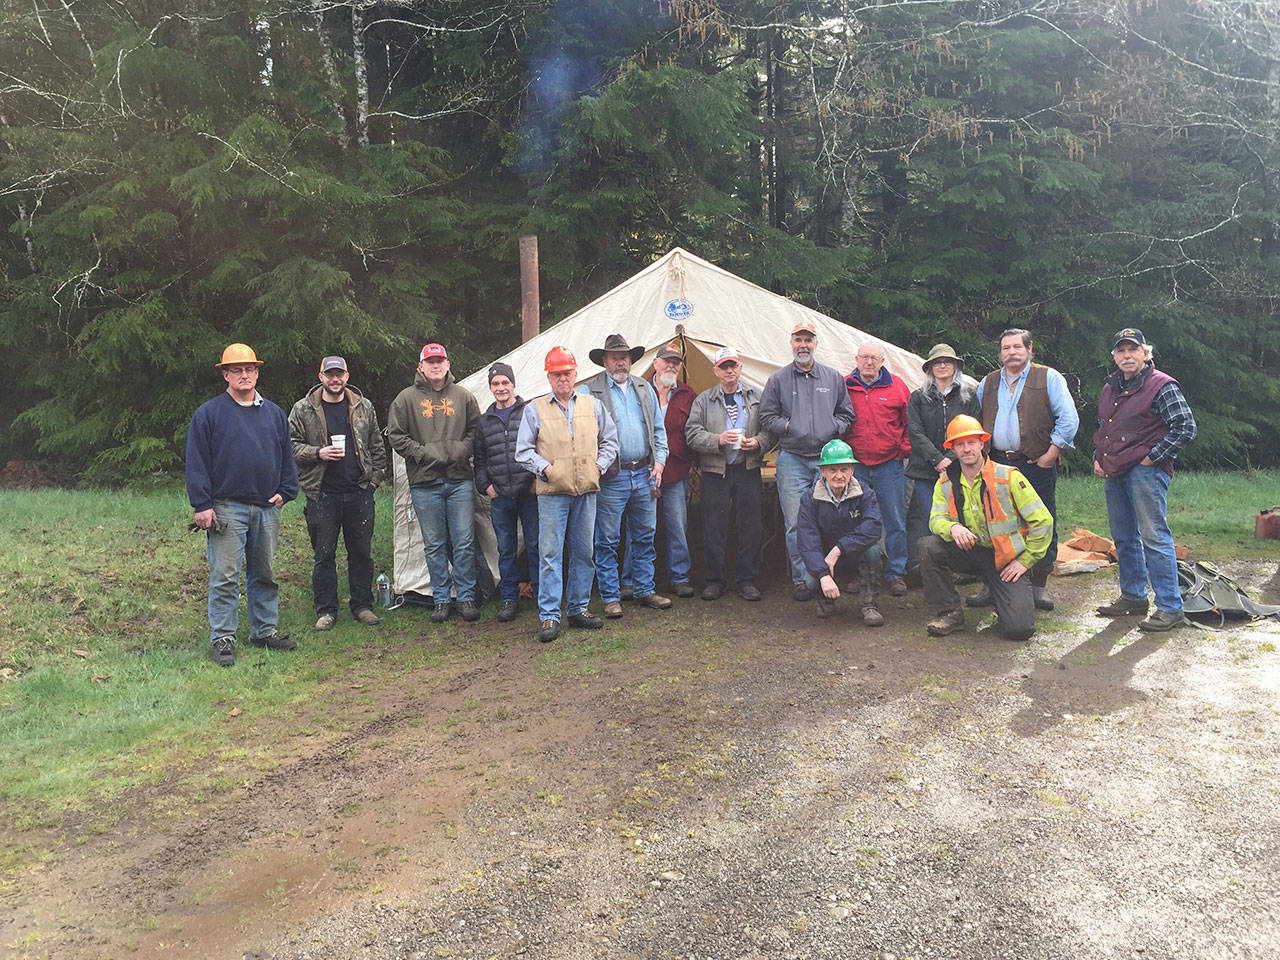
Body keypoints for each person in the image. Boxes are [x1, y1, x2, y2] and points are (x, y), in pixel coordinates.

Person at [186, 343, 299, 667]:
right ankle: (223, 638)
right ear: (226, 375)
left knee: (265, 573)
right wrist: (202, 504)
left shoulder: (274, 414)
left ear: (257, 373)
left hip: (266, 508)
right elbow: (196, 461)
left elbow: (286, 456)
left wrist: (287, 490)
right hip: (226, 508)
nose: (244, 375)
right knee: (225, 576)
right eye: (237, 370)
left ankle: (264, 631)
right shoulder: (209, 414)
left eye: (250, 369)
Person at [1092, 328, 1197, 632]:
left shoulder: (1161, 385)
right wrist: (1098, 457)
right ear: (1114, 356)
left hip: (1146, 472)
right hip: (1116, 472)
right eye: (1121, 351)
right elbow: (1105, 428)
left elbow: (1185, 426)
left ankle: (1170, 607)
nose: (1127, 355)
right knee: (1124, 537)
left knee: (1154, 537)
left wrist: (1153, 457)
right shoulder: (1110, 387)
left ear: (1145, 353)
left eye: (1133, 350)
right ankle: (1134, 597)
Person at [516, 346, 619, 643]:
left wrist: (597, 467)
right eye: (557, 374)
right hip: (552, 493)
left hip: (586, 490)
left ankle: (578, 608)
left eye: (567, 373)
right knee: (550, 554)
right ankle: (549, 614)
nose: (563, 378)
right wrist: (546, 469)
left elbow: (610, 441)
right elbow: (523, 451)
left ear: (576, 374)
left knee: (584, 553)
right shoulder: (534, 409)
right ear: (549, 377)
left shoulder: (593, 405)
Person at [921, 414, 1054, 641]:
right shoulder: (945, 482)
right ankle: (950, 613)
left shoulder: (1008, 477)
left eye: (971, 442)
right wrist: (953, 529)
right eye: (960, 444)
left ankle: (999, 595)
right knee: (928, 546)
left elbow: (1043, 521)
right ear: (952, 449)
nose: (966, 449)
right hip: (968, 552)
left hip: (1005, 560)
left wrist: (1024, 561)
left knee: (1019, 630)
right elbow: (935, 520)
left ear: (981, 444)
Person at [974, 328, 1079, 611]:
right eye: (1006, 348)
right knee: (993, 522)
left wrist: (1051, 453)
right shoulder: (988, 382)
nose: (1011, 353)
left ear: (1029, 349)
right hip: (996, 464)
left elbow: (1068, 418)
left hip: (1034, 463)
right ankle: (992, 584)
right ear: (1000, 353)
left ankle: (1038, 587)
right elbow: (976, 418)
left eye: (1017, 347)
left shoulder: (1048, 377)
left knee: (1041, 520)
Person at [759, 320, 856, 601]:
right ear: (791, 343)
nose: (803, 345)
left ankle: (827, 574)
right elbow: (766, 416)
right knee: (795, 523)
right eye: (798, 340)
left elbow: (847, 414)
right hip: (792, 459)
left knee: (828, 519)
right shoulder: (778, 379)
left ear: (815, 344)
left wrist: (832, 427)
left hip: (827, 462)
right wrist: (790, 426)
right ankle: (803, 579)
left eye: (808, 340)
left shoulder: (833, 378)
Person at [288, 355, 387, 631]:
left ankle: (362, 606)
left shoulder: (363, 406)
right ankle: (326, 610)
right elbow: (289, 446)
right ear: (321, 377)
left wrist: (374, 482)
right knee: (324, 555)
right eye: (329, 374)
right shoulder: (303, 409)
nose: (335, 379)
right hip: (322, 493)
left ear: (347, 376)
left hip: (359, 491)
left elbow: (377, 446)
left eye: (339, 374)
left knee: (361, 552)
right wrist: (318, 452)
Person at [387, 343, 481, 624]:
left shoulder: (464, 396)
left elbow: (476, 429)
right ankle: (441, 599)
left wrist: (462, 450)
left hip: (459, 480)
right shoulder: (405, 399)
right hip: (425, 481)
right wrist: (423, 454)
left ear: (448, 364)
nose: (436, 365)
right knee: (434, 543)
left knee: (464, 541)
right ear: (421, 366)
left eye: (440, 360)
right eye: (430, 362)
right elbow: (396, 436)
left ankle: (465, 597)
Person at [581, 333, 671, 619]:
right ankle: (611, 596)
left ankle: (644, 589)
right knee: (607, 539)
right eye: (614, 357)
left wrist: (660, 463)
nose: (620, 362)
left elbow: (659, 431)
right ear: (604, 361)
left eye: (624, 357)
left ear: (631, 360)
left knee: (645, 535)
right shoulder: (588, 391)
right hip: (612, 476)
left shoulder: (644, 388)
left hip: (644, 473)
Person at [684, 346, 774, 601]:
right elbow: (691, 434)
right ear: (715, 371)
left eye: (733, 365)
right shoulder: (703, 400)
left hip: (747, 469)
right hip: (715, 472)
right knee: (714, 527)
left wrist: (758, 442)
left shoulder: (757, 397)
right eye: (724, 366)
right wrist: (718, 440)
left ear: (740, 368)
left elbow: (770, 430)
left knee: (750, 527)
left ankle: (746, 579)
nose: (729, 370)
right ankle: (715, 580)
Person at [622, 341, 697, 599]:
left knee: (677, 526)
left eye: (676, 363)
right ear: (655, 363)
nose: (671, 366)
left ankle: (680, 578)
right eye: (667, 361)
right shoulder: (638, 390)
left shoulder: (688, 394)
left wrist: (692, 463)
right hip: (644, 472)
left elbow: (692, 433)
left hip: (675, 471)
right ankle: (631, 581)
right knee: (639, 527)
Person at [905, 344, 981, 577]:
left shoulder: (969, 396)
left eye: (947, 361)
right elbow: (915, 432)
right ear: (930, 368)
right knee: (931, 518)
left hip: (960, 469)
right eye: (937, 362)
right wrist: (937, 459)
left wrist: (950, 458)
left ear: (955, 366)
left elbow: (975, 429)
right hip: (925, 471)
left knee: (961, 516)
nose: (942, 365)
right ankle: (930, 570)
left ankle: (964, 568)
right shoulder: (918, 397)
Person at [844, 341, 912, 596]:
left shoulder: (897, 386)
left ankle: (896, 573)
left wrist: (902, 449)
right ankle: (860, 573)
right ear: (856, 359)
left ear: (882, 361)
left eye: (874, 357)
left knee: (895, 520)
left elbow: (909, 422)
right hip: (856, 466)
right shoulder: (845, 386)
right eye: (864, 357)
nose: (869, 362)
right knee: (855, 521)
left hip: (889, 464)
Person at [474, 361, 539, 623]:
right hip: (500, 494)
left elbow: (542, 446)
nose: (501, 387)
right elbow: (479, 460)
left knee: (535, 544)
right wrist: (486, 486)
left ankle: (542, 593)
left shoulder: (529, 412)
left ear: (513, 384)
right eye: (496, 383)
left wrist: (537, 479)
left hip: (529, 491)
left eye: (505, 382)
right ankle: (510, 598)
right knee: (506, 548)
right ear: (491, 388)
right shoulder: (484, 421)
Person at [797, 439, 885, 625]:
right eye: (833, 470)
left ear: (852, 470)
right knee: (811, 580)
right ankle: (826, 600)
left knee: (874, 552)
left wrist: (839, 549)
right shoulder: (810, 499)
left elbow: (873, 527)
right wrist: (823, 574)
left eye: (844, 469)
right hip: (824, 557)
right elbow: (807, 541)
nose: (839, 475)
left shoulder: (865, 493)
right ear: (822, 471)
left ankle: (869, 605)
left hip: (853, 552)